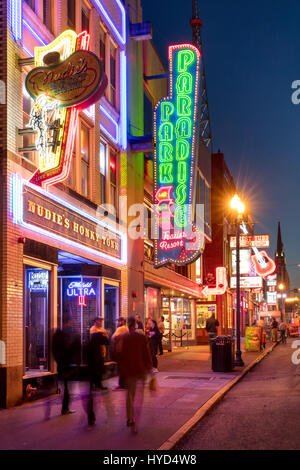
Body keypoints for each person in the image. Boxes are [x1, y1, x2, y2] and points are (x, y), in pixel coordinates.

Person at [119, 316, 152, 433]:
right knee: (139, 397)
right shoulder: (142, 338)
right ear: (135, 325)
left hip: (129, 371)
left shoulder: (125, 338)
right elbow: (146, 354)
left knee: (130, 396)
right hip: (140, 370)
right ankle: (136, 420)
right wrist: (150, 368)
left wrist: (121, 372)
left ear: (128, 325)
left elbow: (121, 356)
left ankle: (130, 418)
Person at [52, 314, 81, 415]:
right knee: (68, 387)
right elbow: (74, 349)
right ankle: (65, 408)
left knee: (66, 386)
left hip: (62, 364)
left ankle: (65, 407)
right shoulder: (70, 333)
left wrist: (59, 361)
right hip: (69, 365)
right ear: (69, 322)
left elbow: (54, 350)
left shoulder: (58, 334)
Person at [86, 332, 109, 425]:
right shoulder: (97, 344)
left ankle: (91, 417)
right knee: (92, 399)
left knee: (90, 395)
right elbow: (107, 341)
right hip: (95, 369)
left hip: (91, 370)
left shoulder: (90, 344)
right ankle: (91, 417)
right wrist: (104, 334)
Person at [111, 317, 129, 389]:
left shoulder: (121, 328)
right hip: (124, 351)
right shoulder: (126, 329)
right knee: (124, 367)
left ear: (123, 322)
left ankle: (122, 384)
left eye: (119, 321)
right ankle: (125, 383)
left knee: (121, 368)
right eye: (118, 321)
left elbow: (113, 337)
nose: (118, 323)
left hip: (120, 350)